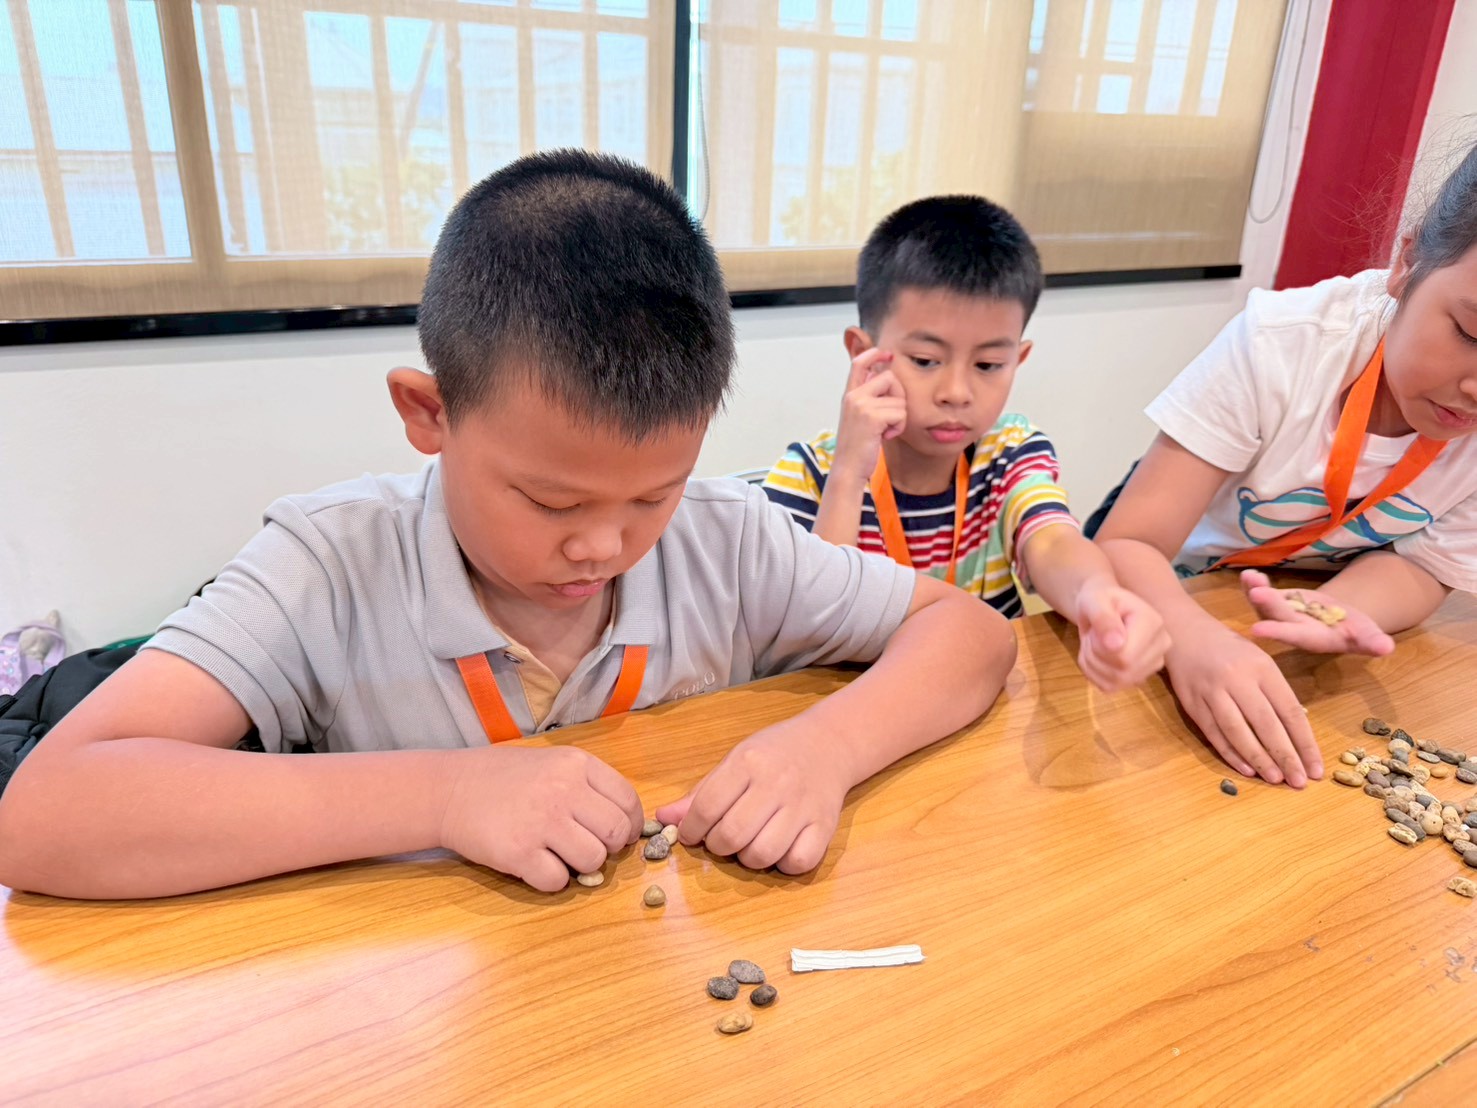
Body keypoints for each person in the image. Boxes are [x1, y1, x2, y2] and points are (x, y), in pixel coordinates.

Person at [0, 151, 1018, 901]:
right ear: (429, 413)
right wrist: (445, 795)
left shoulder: (725, 538)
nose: (604, 547)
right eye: (551, 502)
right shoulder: (330, 562)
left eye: (652, 494)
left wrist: (826, 748)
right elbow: (46, 814)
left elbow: (970, 634)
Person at [1095, 142, 1477, 788]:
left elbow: (1426, 566)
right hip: (1166, 581)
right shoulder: (1280, 345)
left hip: (1284, 607)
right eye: (1470, 333)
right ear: (1406, 263)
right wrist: (1188, 636)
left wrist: (1336, 609)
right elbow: (1126, 544)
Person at [763, 195, 1167, 693]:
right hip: (857, 704)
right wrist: (848, 474)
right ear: (863, 354)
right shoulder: (808, 473)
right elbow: (808, 625)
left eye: (988, 365)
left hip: (985, 700)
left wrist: (1096, 594)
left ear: (1018, 359)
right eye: (926, 361)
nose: (957, 392)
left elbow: (1051, 540)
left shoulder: (1009, 451)